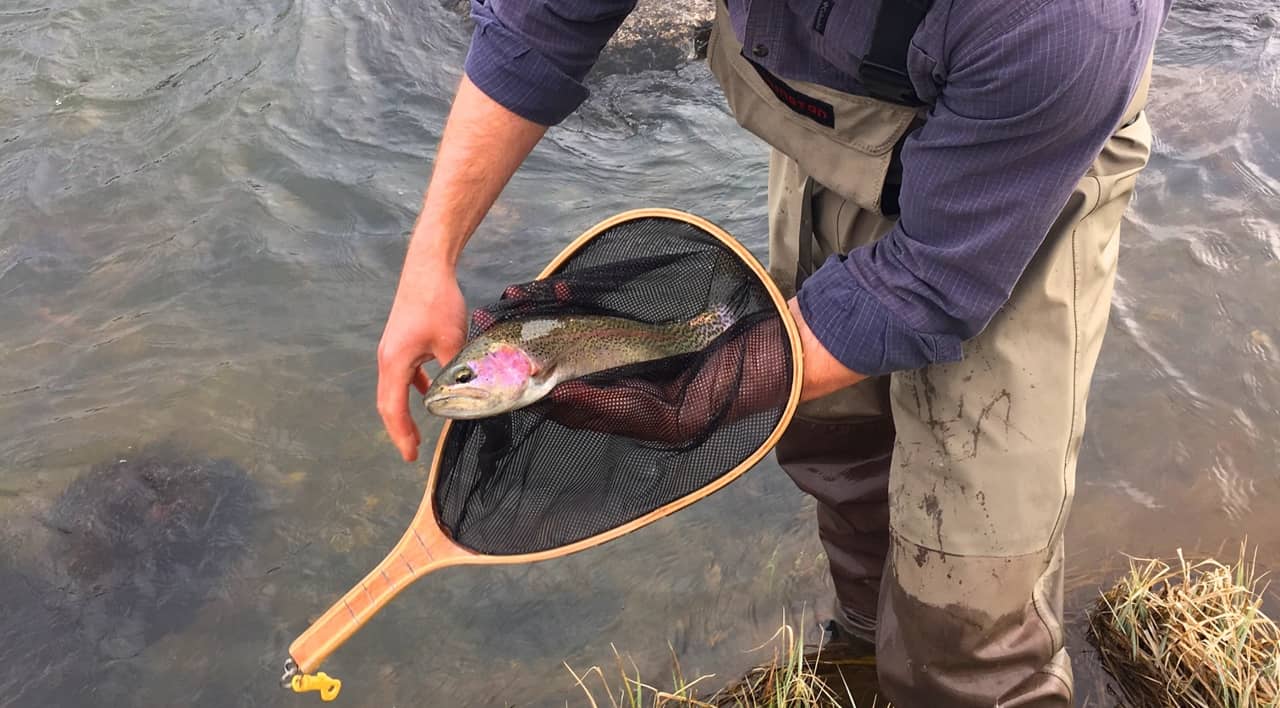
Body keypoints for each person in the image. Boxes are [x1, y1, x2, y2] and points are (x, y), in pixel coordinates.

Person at [375, 0, 1171, 705]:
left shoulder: (1071, 19)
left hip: (1012, 174)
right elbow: (538, 22)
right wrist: (430, 258)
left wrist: (712, 391)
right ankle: (863, 649)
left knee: (970, 593)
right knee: (833, 441)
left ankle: (948, 674)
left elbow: (933, 282)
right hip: (829, 119)